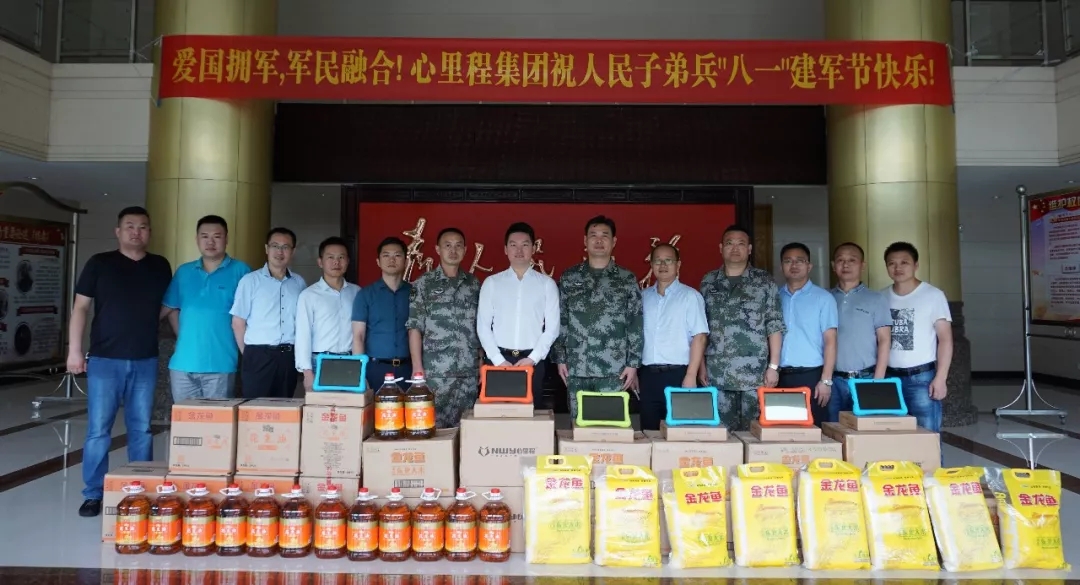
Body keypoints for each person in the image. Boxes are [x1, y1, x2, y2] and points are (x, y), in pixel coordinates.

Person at [68, 206, 173, 518]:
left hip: (145, 359)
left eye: (142, 227)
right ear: (118, 231)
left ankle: (139, 491)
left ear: (149, 232)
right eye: (130, 226)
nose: (136, 232)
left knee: (141, 429)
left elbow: (169, 305)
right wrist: (75, 350)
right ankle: (93, 493)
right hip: (105, 360)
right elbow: (80, 308)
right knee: (98, 430)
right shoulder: (99, 263)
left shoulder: (160, 266)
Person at [552, 216, 643, 419]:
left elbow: (635, 322)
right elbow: (561, 319)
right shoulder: (570, 277)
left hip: (614, 369)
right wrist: (560, 358)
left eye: (605, 236)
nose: (599, 240)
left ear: (614, 241)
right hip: (577, 367)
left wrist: (633, 364)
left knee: (610, 427)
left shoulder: (626, 279)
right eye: (593, 235)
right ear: (585, 241)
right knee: (579, 425)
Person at [699, 224, 784, 431]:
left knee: (755, 434)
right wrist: (701, 366)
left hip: (755, 375)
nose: (735, 248)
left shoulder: (764, 282)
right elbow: (700, 328)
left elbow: (774, 325)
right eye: (729, 243)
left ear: (750, 249)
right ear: (721, 248)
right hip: (718, 373)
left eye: (741, 243)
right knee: (719, 435)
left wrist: (773, 367)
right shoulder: (709, 282)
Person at [162, 215, 251, 401]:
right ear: (197, 239)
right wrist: (182, 335)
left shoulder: (241, 271)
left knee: (216, 419)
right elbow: (171, 307)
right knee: (185, 418)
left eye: (217, 236)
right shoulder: (184, 272)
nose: (210, 242)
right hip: (182, 364)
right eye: (204, 236)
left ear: (226, 239)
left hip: (220, 364)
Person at [476, 222, 560, 408]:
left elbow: (552, 328)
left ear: (534, 248)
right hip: (498, 360)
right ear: (506, 249)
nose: (519, 250)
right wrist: (499, 361)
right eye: (513, 245)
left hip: (532, 361)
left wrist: (533, 358)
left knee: (531, 415)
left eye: (525, 245)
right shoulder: (492, 283)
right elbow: (483, 326)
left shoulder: (547, 284)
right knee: (498, 415)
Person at [407, 228, 482, 427]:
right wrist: (417, 368)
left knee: (468, 429)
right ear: (437, 249)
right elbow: (414, 327)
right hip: (436, 373)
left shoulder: (473, 284)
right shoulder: (424, 284)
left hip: (468, 372)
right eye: (447, 245)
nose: (453, 250)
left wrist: (481, 362)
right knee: (434, 428)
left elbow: (481, 327)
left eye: (458, 246)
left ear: (465, 250)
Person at [883, 241, 953, 432]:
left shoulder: (933, 295)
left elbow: (945, 339)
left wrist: (941, 378)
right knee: (891, 434)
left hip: (921, 378)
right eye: (892, 263)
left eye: (904, 262)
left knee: (927, 435)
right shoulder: (881, 297)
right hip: (889, 378)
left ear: (916, 265)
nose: (898, 268)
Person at [230, 227, 307, 398]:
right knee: (256, 407)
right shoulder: (250, 281)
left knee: (284, 407)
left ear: (293, 251)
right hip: (258, 355)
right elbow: (238, 322)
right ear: (266, 249)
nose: (280, 252)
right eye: (275, 246)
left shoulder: (299, 283)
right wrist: (249, 355)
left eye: (285, 247)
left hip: (288, 356)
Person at [638, 244, 708, 431]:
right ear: (651, 265)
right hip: (648, 376)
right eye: (658, 261)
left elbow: (700, 337)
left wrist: (691, 376)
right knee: (649, 432)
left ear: (678, 265)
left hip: (679, 375)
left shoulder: (690, 296)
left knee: (680, 434)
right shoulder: (643, 297)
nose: (663, 265)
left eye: (668, 260)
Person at [829, 242, 892, 422]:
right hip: (832, 381)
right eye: (840, 260)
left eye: (852, 260)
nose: (846, 265)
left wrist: (878, 381)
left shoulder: (876, 299)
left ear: (862, 265)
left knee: (865, 431)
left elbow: (885, 340)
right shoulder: (825, 298)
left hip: (866, 378)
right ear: (833, 265)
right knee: (832, 430)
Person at [776, 242, 837, 427]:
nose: (794, 265)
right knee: (782, 430)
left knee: (813, 430)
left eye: (800, 261)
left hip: (811, 376)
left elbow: (830, 341)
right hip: (779, 377)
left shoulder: (823, 298)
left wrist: (826, 380)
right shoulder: (775, 297)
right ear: (781, 266)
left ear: (809, 266)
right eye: (788, 261)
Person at [295, 236, 361, 394]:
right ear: (320, 262)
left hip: (350, 361)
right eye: (330, 257)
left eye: (341, 257)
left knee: (349, 407)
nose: (336, 262)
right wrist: (307, 373)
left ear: (347, 261)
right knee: (323, 408)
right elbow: (303, 335)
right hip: (320, 362)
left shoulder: (357, 292)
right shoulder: (309, 295)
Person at [353, 237, 412, 390]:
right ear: (378, 261)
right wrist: (360, 374)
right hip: (376, 369)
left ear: (406, 261)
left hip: (409, 369)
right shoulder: (365, 295)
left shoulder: (414, 293)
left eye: (397, 255)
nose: (392, 260)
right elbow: (358, 336)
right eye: (386, 255)